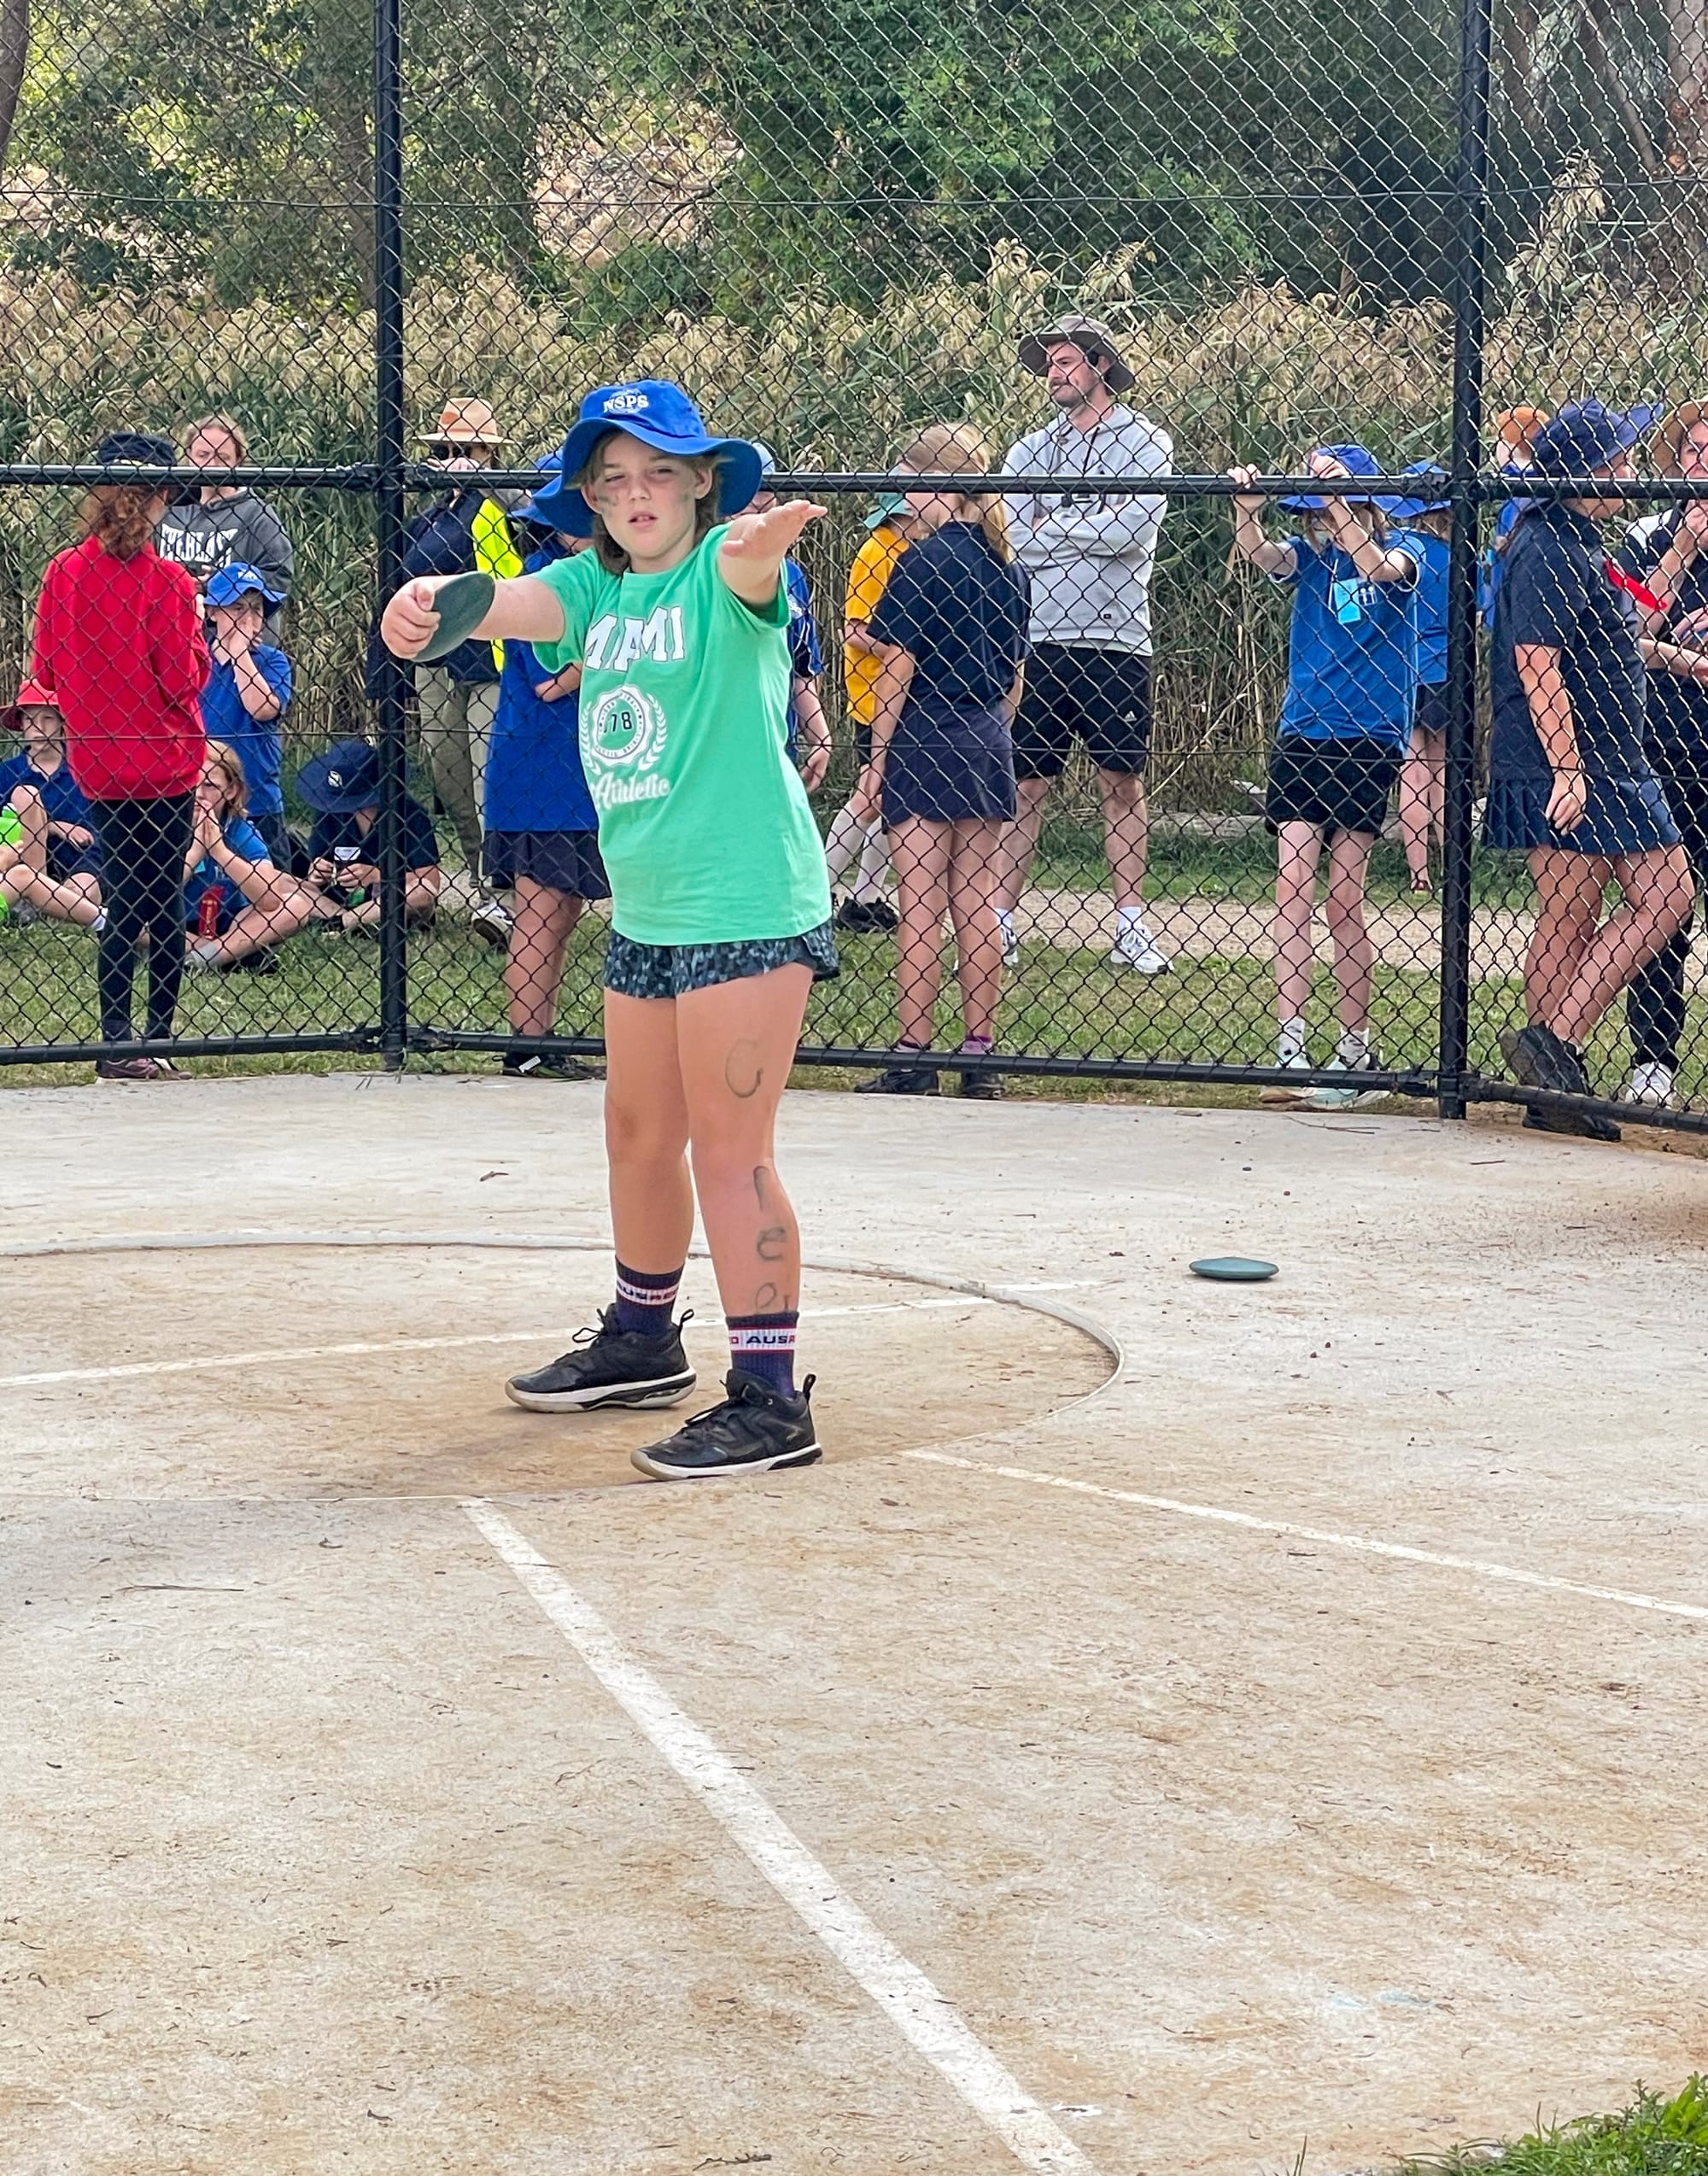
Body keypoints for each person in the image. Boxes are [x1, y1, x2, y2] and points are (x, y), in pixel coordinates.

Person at [381, 377, 834, 1483]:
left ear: (701, 486)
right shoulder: (592, 587)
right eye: (614, 479)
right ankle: (641, 1336)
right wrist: (436, 598)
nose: (636, 495)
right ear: (587, 499)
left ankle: (772, 1402)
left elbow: (749, 571)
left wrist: (760, 545)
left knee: (733, 1156)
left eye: (659, 476)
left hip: (747, 907)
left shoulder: (728, 578)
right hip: (651, 910)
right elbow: (510, 606)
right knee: (637, 1134)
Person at [1484, 401, 1693, 1140]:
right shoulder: (1547, 545)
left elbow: (1617, 637)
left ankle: (1552, 1092)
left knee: (1572, 916)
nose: (1632, 470)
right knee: (1667, 892)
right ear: (1582, 474)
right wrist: (1568, 769)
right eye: (1619, 461)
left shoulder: (1579, 542)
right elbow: (1535, 660)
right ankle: (1558, 1044)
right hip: (1581, 760)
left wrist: (1687, 663)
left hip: (1605, 755)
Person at [848, 423, 1029, 1100]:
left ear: (939, 484)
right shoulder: (1005, 565)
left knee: (920, 904)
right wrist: (992, 728)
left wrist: (877, 759)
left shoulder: (919, 563)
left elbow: (897, 664)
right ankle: (979, 1053)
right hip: (986, 738)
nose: (906, 495)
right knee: (977, 900)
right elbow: (1014, 673)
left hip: (925, 735)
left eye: (912, 482)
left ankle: (913, 1051)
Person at [1228, 445, 1418, 1085]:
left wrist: (1341, 505)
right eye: (1311, 511)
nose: (1317, 522)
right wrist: (1246, 513)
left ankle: (1355, 1043)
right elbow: (1261, 553)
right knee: (1292, 888)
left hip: (1366, 735)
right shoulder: (1309, 558)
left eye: (1328, 507)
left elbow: (1378, 567)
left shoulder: (1406, 553)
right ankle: (1290, 1042)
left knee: (1343, 896)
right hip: (1305, 731)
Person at [32, 429, 210, 1080]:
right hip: (164, 760)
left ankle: (115, 1038)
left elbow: (46, 667)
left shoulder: (64, 572)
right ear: (161, 496)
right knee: (162, 898)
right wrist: (201, 639)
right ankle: (158, 1038)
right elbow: (181, 680)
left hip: (100, 761)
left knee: (122, 893)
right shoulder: (169, 582)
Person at [998, 314, 1173, 973]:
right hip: (1041, 636)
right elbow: (1017, 539)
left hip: (1118, 637)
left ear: (1100, 364)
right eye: (1049, 363)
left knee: (1121, 781)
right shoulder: (1027, 452)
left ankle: (1130, 924)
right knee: (1024, 785)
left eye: (1067, 361)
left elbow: (1137, 530)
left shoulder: (1147, 442)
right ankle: (1002, 922)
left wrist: (1058, 525)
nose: (1054, 373)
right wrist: (1090, 526)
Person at [367, 397, 519, 941]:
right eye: (447, 451)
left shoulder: (501, 503)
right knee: (450, 776)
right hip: (436, 661)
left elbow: (508, 570)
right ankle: (485, 886)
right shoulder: (430, 516)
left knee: (487, 779)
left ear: (488, 454)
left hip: (491, 661)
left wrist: (484, 486)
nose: (455, 460)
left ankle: (504, 899)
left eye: (468, 450)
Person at [484, 459, 611, 1081]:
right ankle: (527, 1044)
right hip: (540, 776)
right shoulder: (542, 582)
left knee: (564, 913)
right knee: (541, 910)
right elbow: (550, 685)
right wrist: (616, 650)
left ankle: (542, 1041)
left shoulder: (602, 580)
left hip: (577, 777)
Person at [1615, 401, 1708, 1108]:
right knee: (1663, 909)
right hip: (1667, 747)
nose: (1701, 464)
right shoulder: (1649, 537)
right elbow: (1630, 628)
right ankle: (1653, 1059)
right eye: (1691, 452)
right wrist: (1680, 552)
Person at [825, 491, 910, 933]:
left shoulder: (909, 551)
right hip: (874, 694)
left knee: (887, 799)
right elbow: (855, 632)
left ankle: (867, 896)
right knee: (868, 795)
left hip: (900, 694)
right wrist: (907, 654)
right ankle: (819, 887)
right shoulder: (878, 551)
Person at [181, 740, 319, 971]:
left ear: (231, 790)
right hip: (177, 924)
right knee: (135, 919)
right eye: (191, 783)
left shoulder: (240, 830)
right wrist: (196, 852)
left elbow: (270, 898)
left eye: (210, 786)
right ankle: (230, 955)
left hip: (231, 922)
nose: (199, 794)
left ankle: (204, 958)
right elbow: (155, 896)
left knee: (296, 906)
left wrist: (220, 852)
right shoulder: (166, 828)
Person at [742, 443, 832, 791]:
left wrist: (819, 734)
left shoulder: (790, 575)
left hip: (777, 745)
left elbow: (802, 667)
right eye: (748, 493)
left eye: (768, 491)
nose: (759, 503)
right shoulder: (697, 569)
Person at [199, 562, 294, 870]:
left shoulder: (272, 662)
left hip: (259, 801)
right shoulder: (195, 662)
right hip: (206, 800)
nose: (249, 618)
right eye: (236, 607)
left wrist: (240, 654)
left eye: (256, 609)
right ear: (212, 612)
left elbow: (262, 708)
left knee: (274, 889)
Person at [295, 737, 442, 933]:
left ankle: (343, 923)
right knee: (280, 882)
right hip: (336, 902)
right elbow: (316, 864)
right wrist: (317, 871)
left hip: (390, 902)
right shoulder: (328, 811)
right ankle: (346, 921)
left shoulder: (409, 813)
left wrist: (380, 876)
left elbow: (430, 880)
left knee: (422, 892)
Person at [1387, 465, 1452, 893]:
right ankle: (1453, 867)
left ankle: (1418, 875)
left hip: (1407, 667)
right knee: (1444, 772)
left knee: (1411, 770)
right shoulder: (1459, 552)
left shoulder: (1398, 547)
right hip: (1448, 669)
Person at [155, 413, 295, 611]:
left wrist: (223, 584)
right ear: (188, 457)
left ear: (238, 460)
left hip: (231, 634)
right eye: (203, 455)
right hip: (172, 630)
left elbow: (278, 578)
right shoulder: (168, 513)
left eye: (222, 457)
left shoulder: (256, 515)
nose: (212, 465)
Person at [0, 681, 104, 930]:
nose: (39, 727)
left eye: (48, 717)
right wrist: (54, 826)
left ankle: (51, 907)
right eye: (29, 719)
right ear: (21, 724)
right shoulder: (7, 772)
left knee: (83, 894)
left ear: (61, 721)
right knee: (25, 795)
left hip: (79, 856)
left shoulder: (85, 767)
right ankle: (38, 894)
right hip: (25, 858)